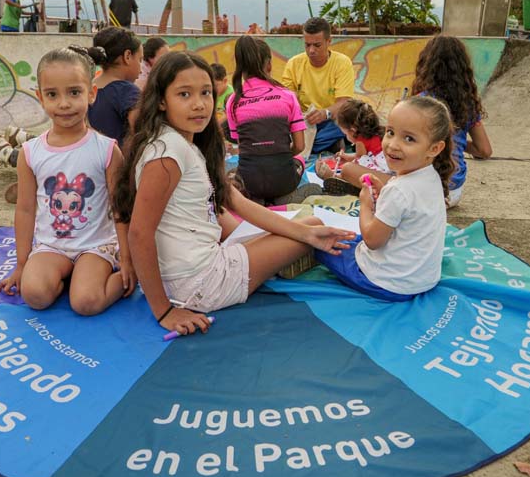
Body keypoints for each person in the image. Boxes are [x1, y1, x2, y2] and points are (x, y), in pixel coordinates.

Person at [113, 51, 355, 337]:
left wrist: (303, 235)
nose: (199, 104)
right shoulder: (168, 154)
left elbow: (237, 201)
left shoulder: (178, 143)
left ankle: (285, 252)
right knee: (311, 227)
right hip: (200, 285)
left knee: (308, 230)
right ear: (162, 100)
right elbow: (140, 233)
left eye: (205, 93)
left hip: (198, 264)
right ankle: (287, 258)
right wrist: (164, 310)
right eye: (184, 94)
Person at [0, 46, 135, 315]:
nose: (64, 103)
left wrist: (129, 261)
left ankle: (108, 275)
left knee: (85, 303)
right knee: (34, 294)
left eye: (74, 92)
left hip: (96, 246)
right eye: (52, 94)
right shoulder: (30, 153)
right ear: (40, 97)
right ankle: (67, 278)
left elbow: (121, 208)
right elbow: (25, 209)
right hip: (52, 246)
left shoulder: (106, 149)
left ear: (91, 93)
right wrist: (22, 264)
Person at [314, 96, 452, 300]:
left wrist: (365, 205)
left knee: (320, 241)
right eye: (390, 132)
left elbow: (372, 240)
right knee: (346, 239)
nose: (393, 145)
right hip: (423, 278)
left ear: (434, 148)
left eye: (409, 139)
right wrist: (382, 196)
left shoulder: (398, 190)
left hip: (387, 283)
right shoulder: (430, 177)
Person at [226, 36, 312, 204]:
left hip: (249, 183)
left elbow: (243, 146)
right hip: (283, 181)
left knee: (235, 172)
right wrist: (281, 156)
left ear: (240, 67)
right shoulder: (287, 95)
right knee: (299, 161)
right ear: (269, 64)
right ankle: (284, 199)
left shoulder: (233, 101)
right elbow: (300, 146)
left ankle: (255, 200)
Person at [411, 35, 492, 208]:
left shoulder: (420, 103)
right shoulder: (468, 104)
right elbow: (484, 150)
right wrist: (458, 141)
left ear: (426, 64)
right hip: (454, 193)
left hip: (426, 192)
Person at [281, 17, 355, 156]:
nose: (311, 51)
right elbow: (288, 99)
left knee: (349, 124)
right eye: (307, 45)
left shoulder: (342, 63)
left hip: (331, 120)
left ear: (329, 41)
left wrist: (325, 113)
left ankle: (313, 144)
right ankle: (322, 144)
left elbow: (344, 102)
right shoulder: (294, 63)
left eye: (317, 45)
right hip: (303, 122)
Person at [87, 27, 143, 147]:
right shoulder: (126, 91)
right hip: (119, 162)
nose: (141, 70)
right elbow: (141, 133)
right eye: (140, 60)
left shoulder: (86, 88)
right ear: (127, 56)